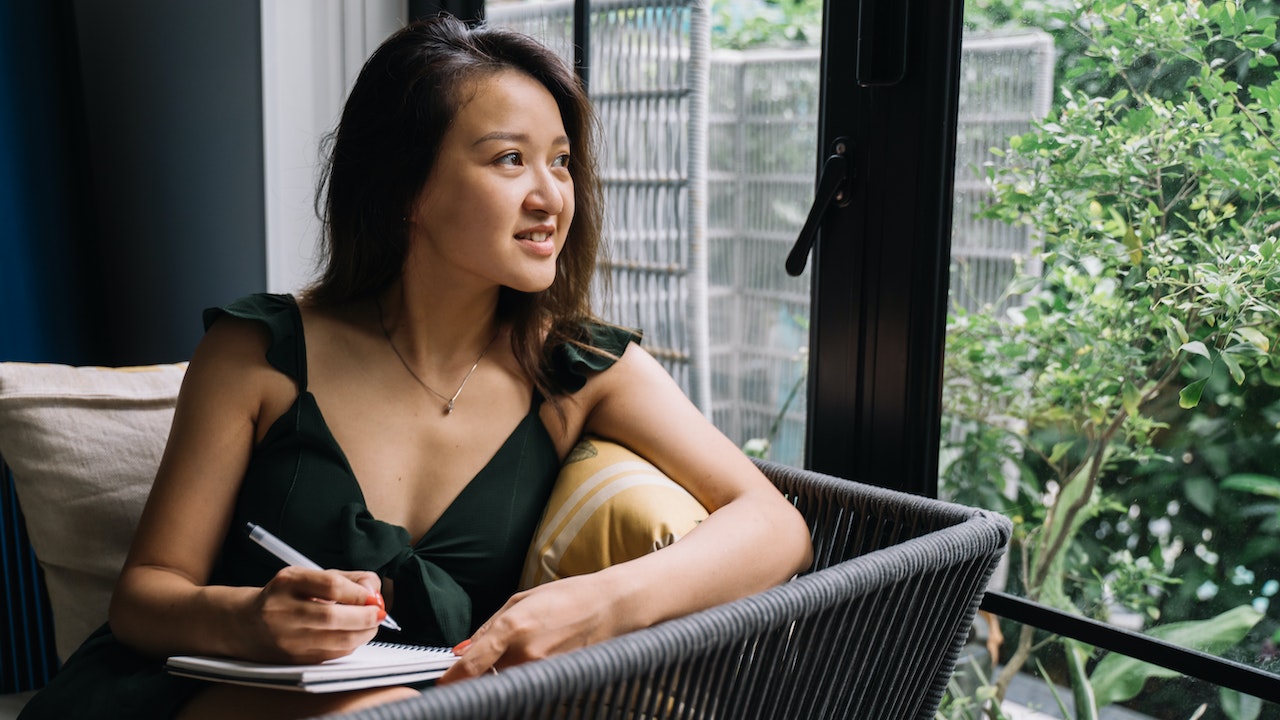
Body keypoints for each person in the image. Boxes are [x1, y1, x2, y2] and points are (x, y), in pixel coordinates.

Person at [18, 15, 813, 720]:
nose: (551, 196)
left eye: (562, 161)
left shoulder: (577, 366)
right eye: (510, 160)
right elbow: (144, 596)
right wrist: (252, 617)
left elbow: (775, 525)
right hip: (196, 695)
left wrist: (593, 605)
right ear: (406, 188)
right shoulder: (256, 351)